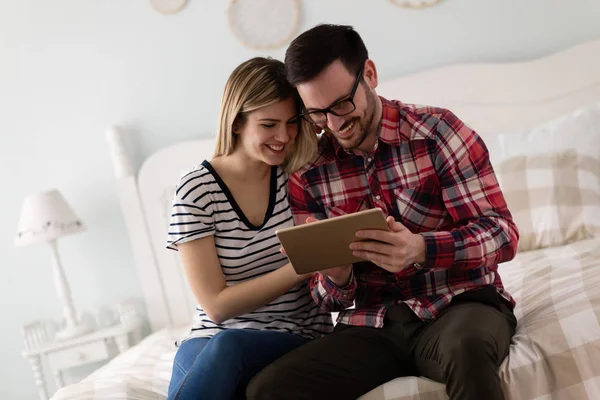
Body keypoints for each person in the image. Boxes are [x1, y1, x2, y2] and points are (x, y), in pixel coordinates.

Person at [246, 24, 519, 400]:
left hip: (460, 304)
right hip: (374, 325)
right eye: (318, 114)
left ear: (370, 75)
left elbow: (503, 234)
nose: (335, 124)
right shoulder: (309, 173)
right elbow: (325, 300)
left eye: (341, 104)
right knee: (268, 389)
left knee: (466, 349)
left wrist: (422, 249)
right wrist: (337, 279)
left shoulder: (437, 132)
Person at [165, 57, 333, 400]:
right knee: (212, 355)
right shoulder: (196, 189)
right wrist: (301, 266)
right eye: (269, 124)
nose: (283, 136)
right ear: (237, 122)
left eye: (291, 122)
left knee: (229, 349)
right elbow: (216, 306)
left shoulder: (301, 178)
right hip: (211, 337)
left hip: (295, 335)